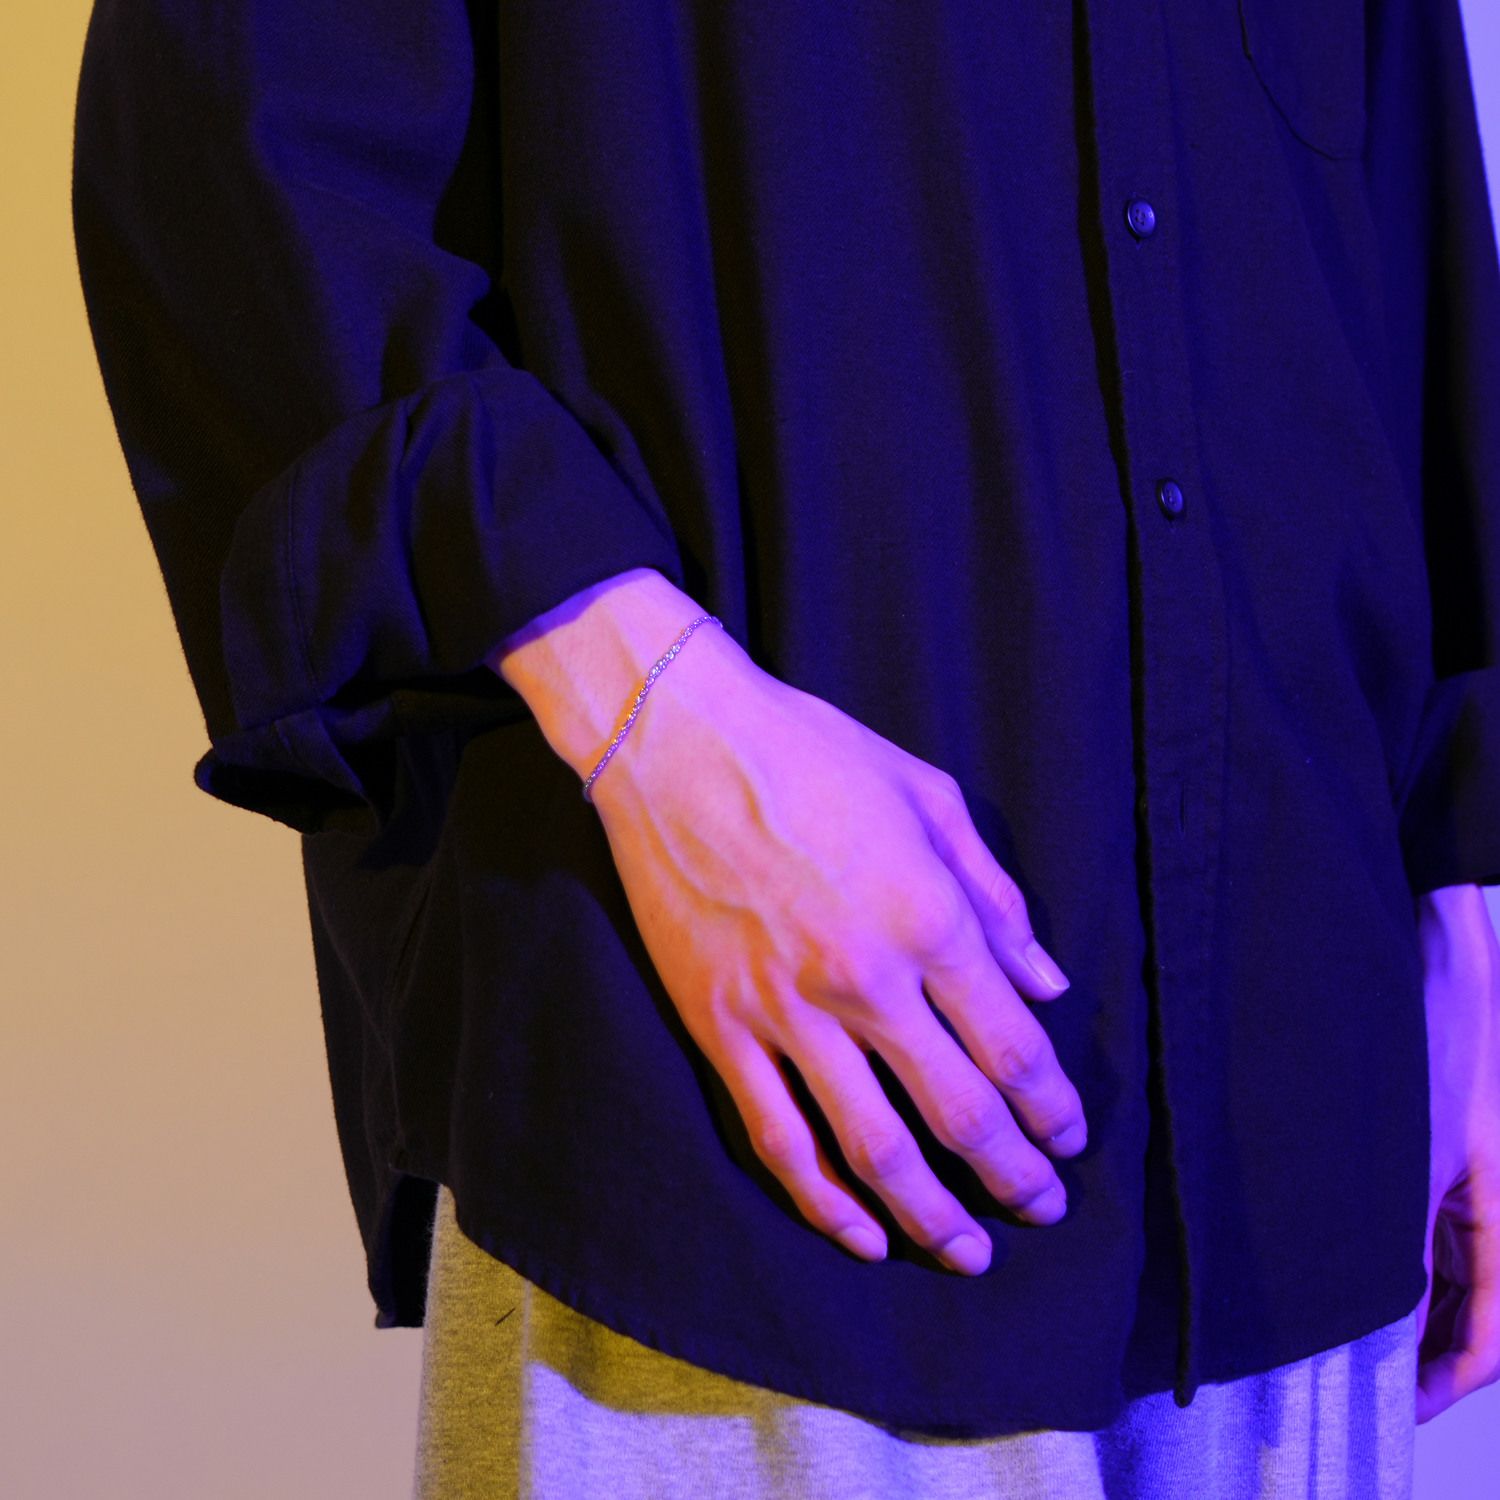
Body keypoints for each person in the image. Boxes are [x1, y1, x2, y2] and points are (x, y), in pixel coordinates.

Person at [71, 0, 1500, 1494]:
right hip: (744, 1133)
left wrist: (1451, 889)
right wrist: (656, 714)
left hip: (1306, 1090)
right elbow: (225, 141)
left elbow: (1391, 194)